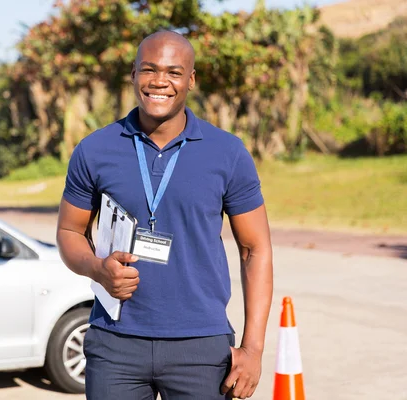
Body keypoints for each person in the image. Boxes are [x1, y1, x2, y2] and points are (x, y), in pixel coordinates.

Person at [56, 30, 273, 400]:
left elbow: (256, 250)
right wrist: (97, 269)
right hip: (115, 343)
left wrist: (253, 349)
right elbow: (68, 231)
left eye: (174, 72)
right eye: (149, 70)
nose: (160, 81)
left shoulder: (228, 153)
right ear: (134, 75)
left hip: (201, 346)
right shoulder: (94, 150)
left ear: (191, 80)